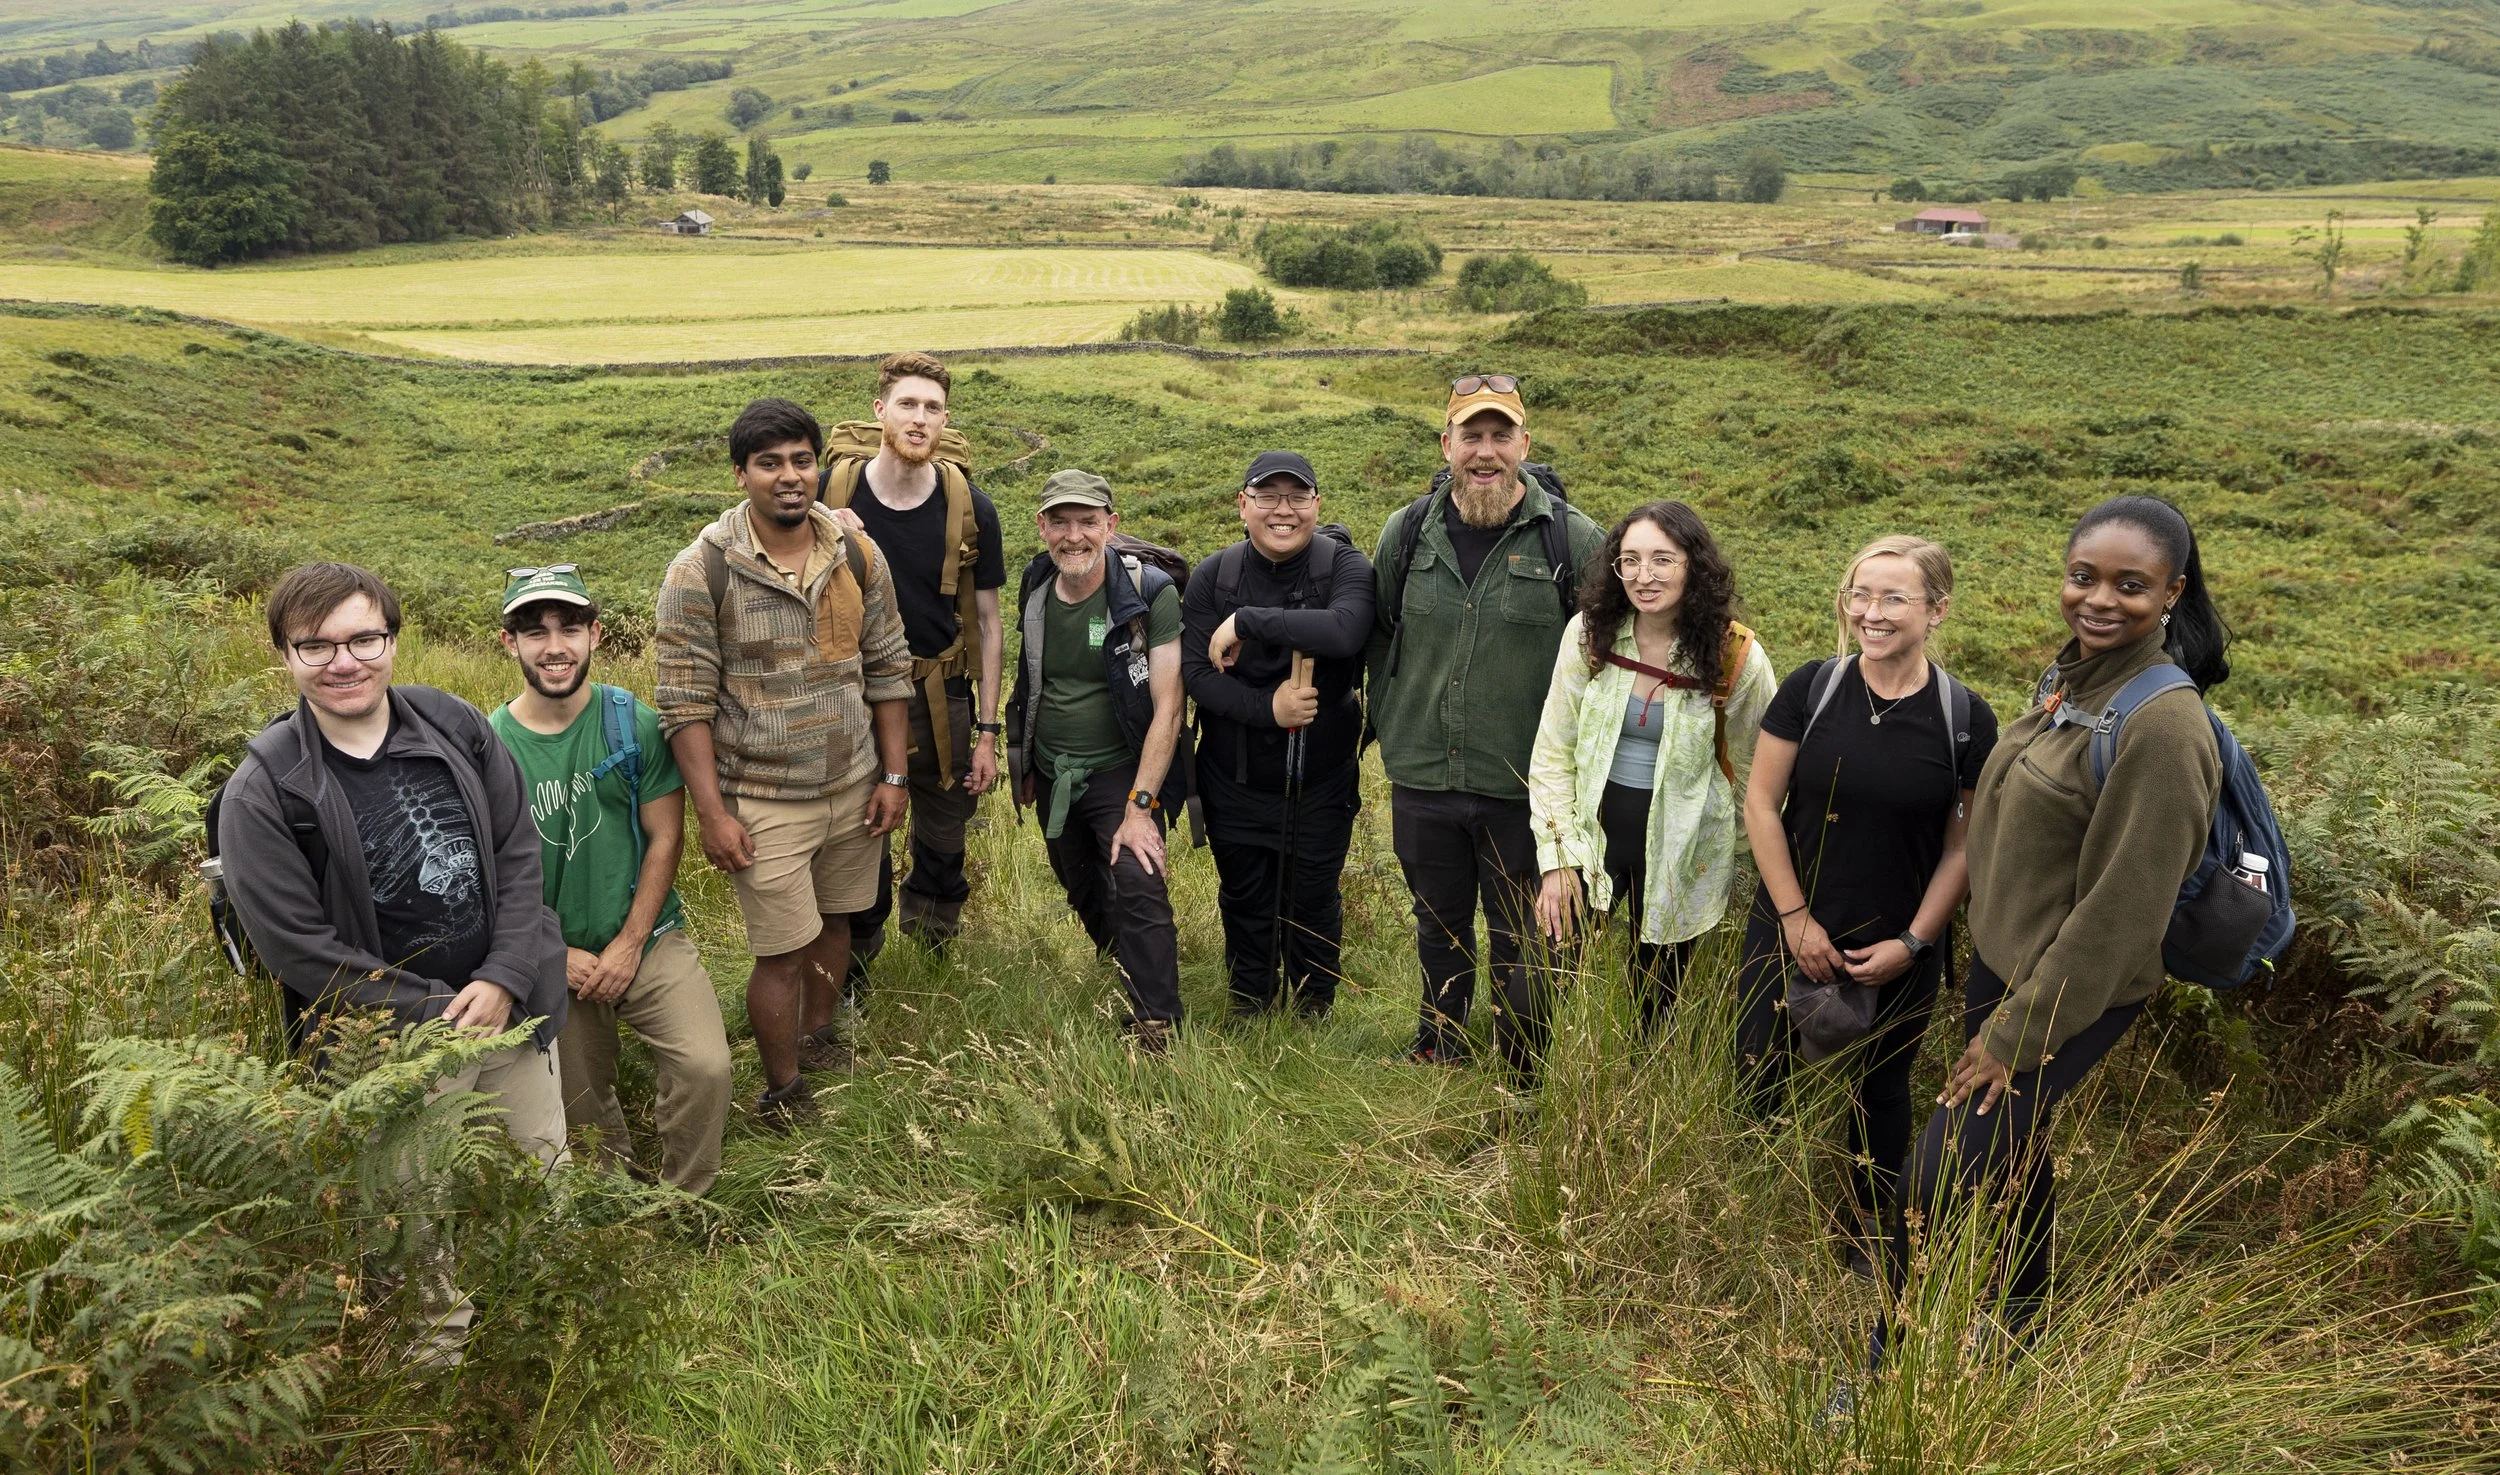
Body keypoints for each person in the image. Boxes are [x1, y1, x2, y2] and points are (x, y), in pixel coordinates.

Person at [1886, 494, 2227, 1354]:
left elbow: (2122, 912)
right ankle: (2020, 1323)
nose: (2100, 599)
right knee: (2016, 1149)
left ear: (2173, 593)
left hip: (2067, 988)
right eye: (2084, 577)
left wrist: (2015, 1034)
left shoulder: (2164, 727)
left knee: (1931, 1179)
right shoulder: (2069, 679)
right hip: (2006, 965)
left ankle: (1891, 1370)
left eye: (2131, 585)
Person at [215, 561, 568, 1365]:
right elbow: (297, 947)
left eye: (363, 638)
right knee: (414, 1220)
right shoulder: (264, 790)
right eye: (316, 645)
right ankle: (430, 1369)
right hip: (386, 1047)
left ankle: (550, 1331)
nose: (344, 661)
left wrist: (507, 974)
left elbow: (516, 852)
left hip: (512, 1011)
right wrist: (433, 1010)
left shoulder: (451, 723)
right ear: (286, 655)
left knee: (541, 1176)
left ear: (392, 640)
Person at [1735, 536, 1996, 1277]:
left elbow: (1965, 847)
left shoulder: (1966, 718)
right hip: (1790, 921)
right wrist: (1793, 918)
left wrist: (1914, 943)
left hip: (1899, 941)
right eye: (1860, 594)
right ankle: (1746, 1213)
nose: (1870, 613)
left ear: (1937, 609)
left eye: (1892, 598)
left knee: (1881, 1090)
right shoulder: (1813, 687)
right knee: (1759, 1069)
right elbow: (1761, 802)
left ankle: (1864, 1233)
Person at [655, 398, 913, 1126]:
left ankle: (817, 1032)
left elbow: (890, 668)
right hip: (763, 799)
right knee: (780, 951)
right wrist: (712, 815)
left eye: (802, 459)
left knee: (837, 921)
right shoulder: (700, 571)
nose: (789, 476)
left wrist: (893, 776)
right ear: (741, 474)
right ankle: (782, 1089)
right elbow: (685, 704)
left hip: (854, 785)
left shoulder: (856, 554)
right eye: (769, 463)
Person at [1366, 373, 1607, 1072]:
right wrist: (1392, 715)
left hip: (1522, 788)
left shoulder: (1572, 538)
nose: (1485, 450)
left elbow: (1605, 651)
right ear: (1446, 445)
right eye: (1471, 434)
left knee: (1524, 932)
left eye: (1501, 435)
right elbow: (1380, 631)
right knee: (1437, 924)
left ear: (1525, 446)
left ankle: (1522, 1058)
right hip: (1424, 777)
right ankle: (1439, 1041)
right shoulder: (1406, 532)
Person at [490, 566, 732, 1195]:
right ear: (508, 643)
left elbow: (665, 838)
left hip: (648, 937)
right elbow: (487, 875)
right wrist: (551, 951)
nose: (555, 647)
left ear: (595, 634)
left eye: (570, 627)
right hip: (551, 953)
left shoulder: (634, 724)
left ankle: (683, 1200)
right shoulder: (489, 747)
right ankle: (612, 1203)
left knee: (705, 1067)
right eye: (535, 631)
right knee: (579, 1102)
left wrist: (629, 943)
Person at [1526, 503, 1775, 1061]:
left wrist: (1723, 858)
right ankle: (1519, 1101)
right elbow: (1552, 752)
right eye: (1630, 560)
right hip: (1588, 842)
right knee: (1535, 988)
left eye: (1663, 559)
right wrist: (1558, 857)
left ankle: (1632, 1110)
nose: (1644, 575)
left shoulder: (1736, 656)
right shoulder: (1590, 636)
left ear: (1694, 567)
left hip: (1683, 853)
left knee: (1655, 1002)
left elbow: (1758, 771)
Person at [818, 351, 1008, 965]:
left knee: (945, 838)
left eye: (932, 407)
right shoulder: (829, 495)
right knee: (858, 836)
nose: (919, 418)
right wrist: (826, 524)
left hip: (943, 694)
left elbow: (987, 623)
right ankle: (857, 965)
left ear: (945, 418)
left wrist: (987, 731)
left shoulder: (973, 509)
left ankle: (933, 955)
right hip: (855, 699)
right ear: (881, 412)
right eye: (907, 404)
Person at [1182, 451, 1375, 1021]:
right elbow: (1196, 675)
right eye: (1267, 497)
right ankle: (1250, 999)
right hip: (1232, 777)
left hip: (1322, 779)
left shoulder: (1345, 569)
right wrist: (1270, 709)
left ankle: (1314, 1003)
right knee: (1244, 895)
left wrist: (1246, 622)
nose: (1282, 511)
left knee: (1314, 896)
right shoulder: (1213, 576)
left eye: (1297, 497)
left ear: (1317, 505)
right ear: (1243, 505)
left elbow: (1344, 630)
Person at [1004, 470, 1188, 1053]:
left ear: (1112, 524)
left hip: (1120, 771)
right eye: (1060, 522)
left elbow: (1168, 707)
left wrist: (1141, 806)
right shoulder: (1035, 585)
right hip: (1056, 771)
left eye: (1088, 522)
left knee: (1136, 874)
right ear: (1042, 527)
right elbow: (1032, 678)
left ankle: (1157, 1021)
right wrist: (1025, 758)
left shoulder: (1148, 593)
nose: (1074, 536)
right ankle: (1127, 963)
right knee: (1082, 884)